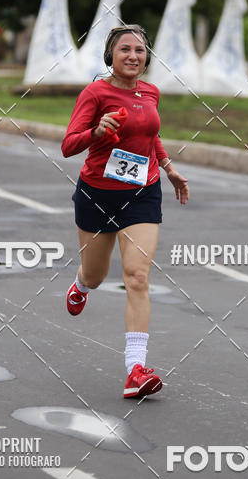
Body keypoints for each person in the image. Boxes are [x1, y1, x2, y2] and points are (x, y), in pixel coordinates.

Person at [61, 25, 189, 399]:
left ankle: (136, 370)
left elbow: (149, 135)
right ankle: (82, 284)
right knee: (97, 274)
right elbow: (68, 145)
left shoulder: (151, 92)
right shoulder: (95, 93)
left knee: (136, 275)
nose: (133, 55)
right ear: (110, 55)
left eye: (140, 50)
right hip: (98, 194)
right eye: (125, 49)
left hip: (143, 192)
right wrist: (96, 132)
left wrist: (168, 167)